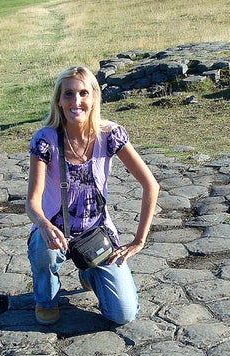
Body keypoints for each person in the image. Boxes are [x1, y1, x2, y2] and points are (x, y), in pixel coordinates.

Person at [25, 66, 159, 326]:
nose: (76, 101)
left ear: (94, 97)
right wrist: (44, 225)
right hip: (56, 231)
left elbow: (150, 185)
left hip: (97, 233)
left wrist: (139, 241)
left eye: (83, 93)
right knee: (44, 247)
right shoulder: (45, 139)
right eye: (69, 94)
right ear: (59, 101)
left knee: (123, 314)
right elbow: (32, 202)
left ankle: (89, 271)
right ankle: (46, 298)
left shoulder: (110, 135)